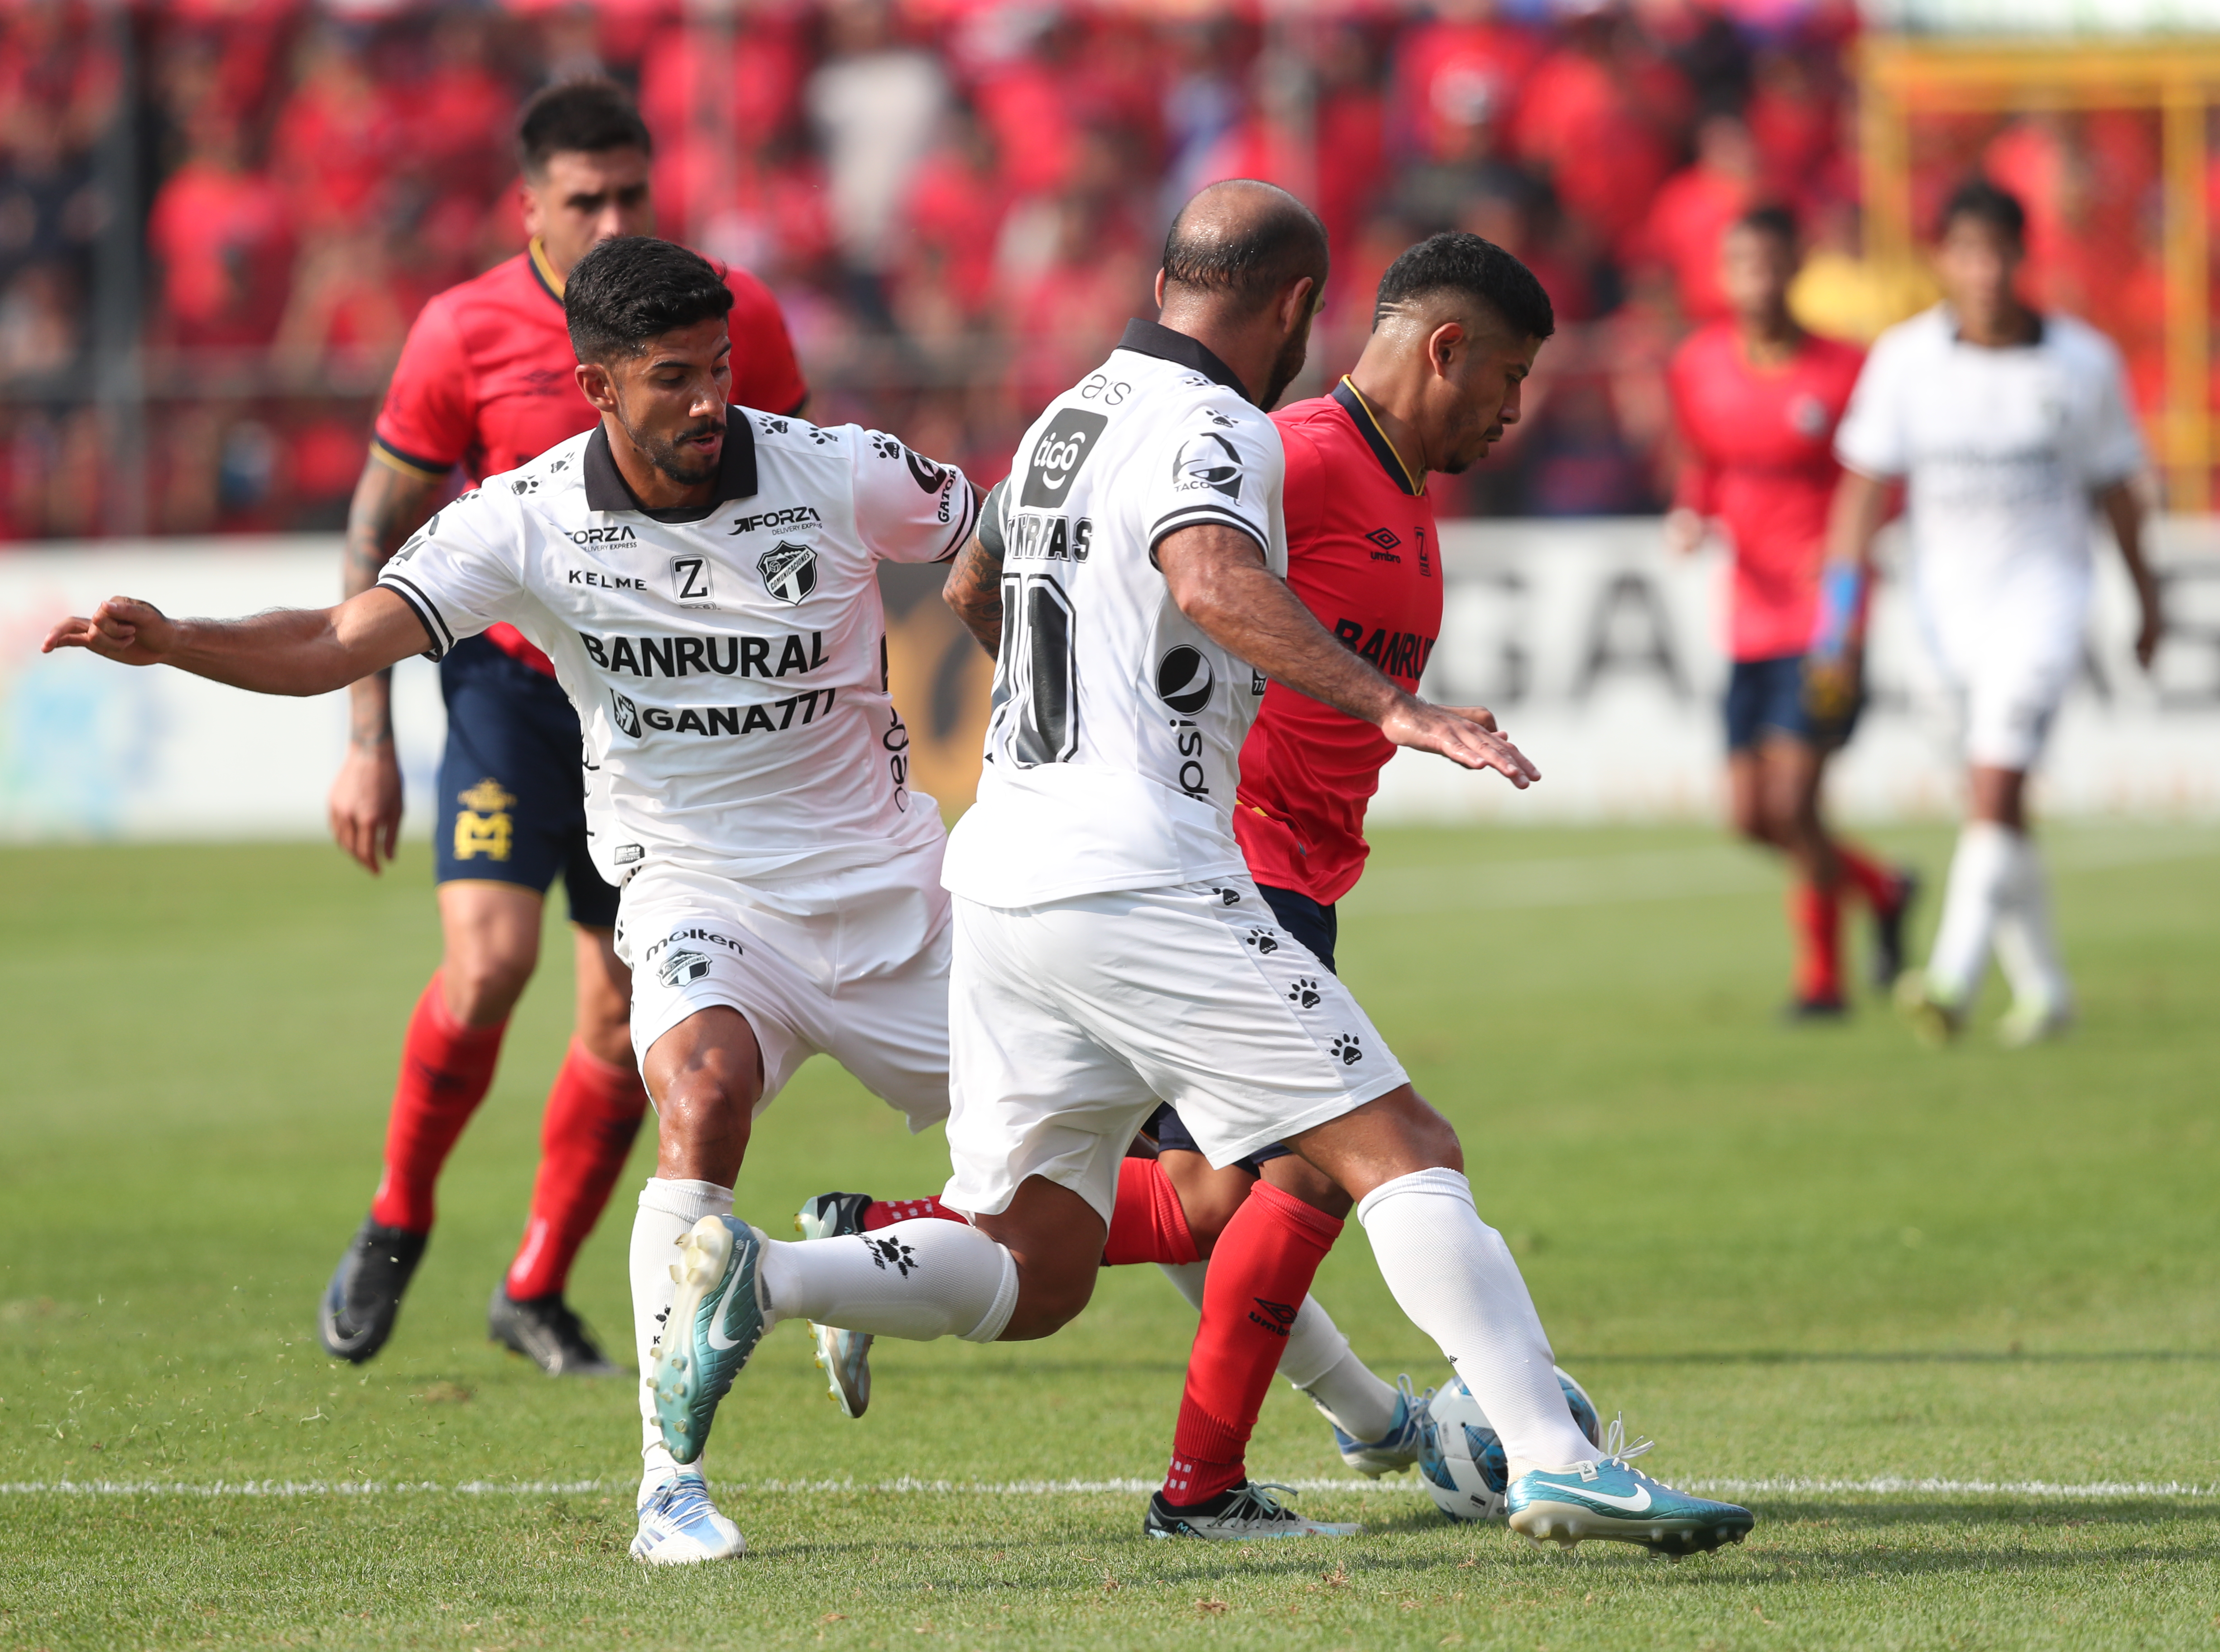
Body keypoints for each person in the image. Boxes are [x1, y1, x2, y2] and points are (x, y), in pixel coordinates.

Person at [647, 187, 1755, 1559]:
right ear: (1295, 308)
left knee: (1035, 1256)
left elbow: (979, 587)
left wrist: (1095, 703)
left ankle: (771, 1274)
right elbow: (1215, 573)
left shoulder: (1065, 417)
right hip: (1142, 871)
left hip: (1006, 871)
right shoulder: (1227, 427)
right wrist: (1393, 707)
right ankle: (1553, 1457)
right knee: (1397, 1149)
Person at [43, 237, 980, 1567]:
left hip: (894, 895)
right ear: (595, 385)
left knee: (1071, 1207)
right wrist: (178, 640)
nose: (712, 402)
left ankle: (851, 1263)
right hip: (700, 895)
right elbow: (333, 637)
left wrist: (1019, 631)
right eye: (673, 380)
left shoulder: (842, 472)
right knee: (700, 1095)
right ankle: (672, 1489)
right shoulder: (527, 519)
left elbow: (1005, 536)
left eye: (719, 369)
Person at [318, 80, 808, 1379]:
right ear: (526, 205)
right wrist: (366, 734)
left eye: (630, 194)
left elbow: (789, 488)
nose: (609, 217)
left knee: (613, 1022)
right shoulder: (459, 329)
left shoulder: (730, 312)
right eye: (582, 198)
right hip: (507, 692)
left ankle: (534, 1284)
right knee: (487, 966)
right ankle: (398, 1216)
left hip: (653, 713)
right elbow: (379, 528)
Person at [1824, 179, 2161, 1048]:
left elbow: (2119, 492)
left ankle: (1949, 978)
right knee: (1992, 805)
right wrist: (1838, 620)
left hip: (2045, 598)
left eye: (1999, 253)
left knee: (1998, 783)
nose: (1984, 272)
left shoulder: (2082, 364)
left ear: (2024, 256)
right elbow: (1861, 497)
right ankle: (2046, 988)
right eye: (1966, 253)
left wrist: (2148, 600)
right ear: (1943, 260)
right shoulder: (1904, 360)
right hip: (1940, 611)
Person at [1666, 205, 1915, 1018]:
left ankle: (1822, 982)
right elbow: (1703, 463)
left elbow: (1887, 483)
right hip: (1748, 615)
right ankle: (1881, 887)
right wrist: (1693, 512)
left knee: (1795, 801)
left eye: (1772, 266)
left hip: (1825, 619)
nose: (1758, 283)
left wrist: (1848, 556)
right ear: (1725, 274)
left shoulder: (1846, 371)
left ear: (1795, 269)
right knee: (1749, 817)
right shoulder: (1699, 364)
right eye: (1743, 267)